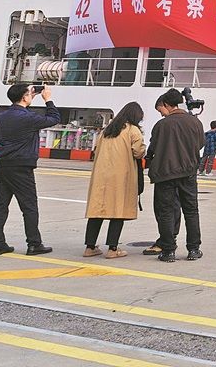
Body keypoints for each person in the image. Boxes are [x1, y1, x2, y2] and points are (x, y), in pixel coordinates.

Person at [0, 84, 60, 256]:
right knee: (29, 206)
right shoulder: (29, 118)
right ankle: (34, 243)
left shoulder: (3, 116)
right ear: (24, 97)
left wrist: (28, 97)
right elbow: (54, 118)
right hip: (21, 166)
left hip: (2, 164)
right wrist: (48, 99)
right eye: (29, 93)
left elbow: (20, 110)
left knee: (0, 205)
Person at [144, 89, 205, 263]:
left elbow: (153, 148)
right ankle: (194, 249)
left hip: (166, 173)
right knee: (191, 211)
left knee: (166, 212)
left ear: (166, 105)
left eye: (160, 109)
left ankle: (168, 251)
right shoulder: (195, 122)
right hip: (188, 172)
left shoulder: (161, 125)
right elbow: (201, 143)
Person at [83, 101, 145, 259]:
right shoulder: (133, 130)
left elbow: (95, 150)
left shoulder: (107, 130)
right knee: (118, 210)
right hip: (120, 176)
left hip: (101, 175)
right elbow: (138, 152)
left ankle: (89, 247)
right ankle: (112, 249)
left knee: (97, 211)